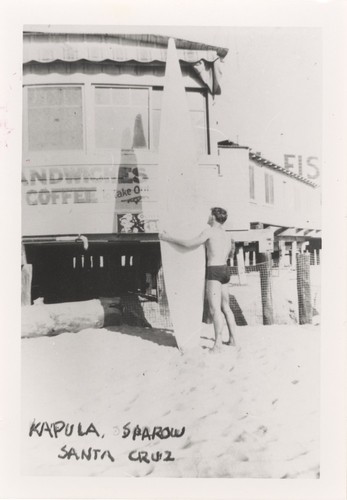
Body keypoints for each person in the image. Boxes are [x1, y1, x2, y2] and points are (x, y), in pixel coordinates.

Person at [159, 207, 236, 351]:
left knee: (214, 311)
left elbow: (190, 244)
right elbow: (231, 252)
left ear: (213, 217)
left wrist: (168, 238)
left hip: (214, 270)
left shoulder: (209, 231)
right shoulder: (227, 234)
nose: (207, 217)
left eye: (209, 214)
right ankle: (233, 340)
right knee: (226, 308)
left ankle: (218, 344)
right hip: (225, 269)